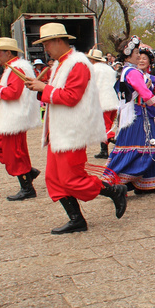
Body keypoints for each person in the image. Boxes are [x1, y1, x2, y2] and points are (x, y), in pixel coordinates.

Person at [24, 23, 127, 234]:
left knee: (72, 179)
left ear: (58, 41)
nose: (45, 48)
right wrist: (39, 88)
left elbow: (71, 97)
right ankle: (76, 219)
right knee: (53, 178)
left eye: (46, 43)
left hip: (72, 130)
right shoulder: (62, 63)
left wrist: (43, 88)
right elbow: (59, 94)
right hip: (60, 130)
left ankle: (114, 191)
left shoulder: (77, 64)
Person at [105, 37, 155, 194]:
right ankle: (114, 182)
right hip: (136, 116)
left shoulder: (138, 74)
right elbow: (146, 94)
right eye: (136, 53)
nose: (139, 57)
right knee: (136, 148)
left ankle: (143, 181)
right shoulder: (131, 72)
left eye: (142, 55)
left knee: (147, 147)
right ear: (128, 55)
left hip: (142, 115)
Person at [0, 38, 42, 200]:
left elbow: (12, 94)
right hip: (12, 117)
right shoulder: (13, 67)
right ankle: (27, 172)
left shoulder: (16, 68)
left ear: (8, 52)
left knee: (15, 153)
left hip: (14, 117)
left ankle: (26, 185)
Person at [86, 49, 118, 159]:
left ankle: (115, 140)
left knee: (104, 127)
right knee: (106, 125)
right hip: (113, 100)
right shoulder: (110, 69)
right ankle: (104, 150)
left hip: (101, 101)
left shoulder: (92, 69)